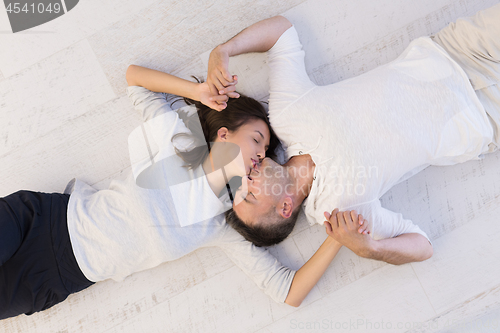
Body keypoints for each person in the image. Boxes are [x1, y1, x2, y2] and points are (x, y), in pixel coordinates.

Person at [0, 62, 371, 320]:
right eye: (257, 141)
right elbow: (135, 79)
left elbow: (287, 291)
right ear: (224, 135)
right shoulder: (182, 139)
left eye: (263, 151)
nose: (261, 156)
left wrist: (337, 237)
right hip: (43, 219)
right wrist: (197, 92)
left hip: (56, 277)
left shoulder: (229, 222)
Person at [207, 5, 500, 263]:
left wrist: (224, 50)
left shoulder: (287, 115)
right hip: (485, 120)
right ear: (284, 206)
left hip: (455, 51)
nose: (244, 179)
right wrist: (370, 248)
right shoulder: (341, 213)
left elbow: (282, 32)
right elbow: (423, 246)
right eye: (249, 197)